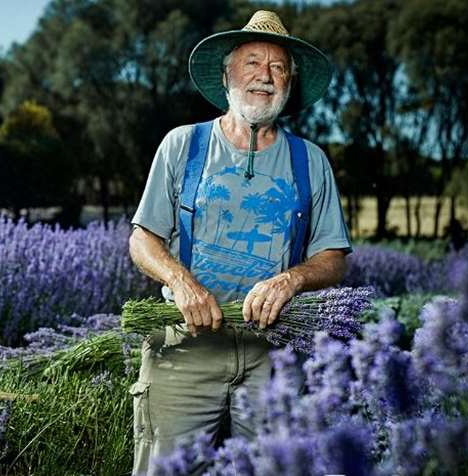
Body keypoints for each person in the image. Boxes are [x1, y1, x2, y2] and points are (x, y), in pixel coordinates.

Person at [127, 10, 353, 475]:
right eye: (252, 63)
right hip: (185, 350)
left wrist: (293, 279)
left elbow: (333, 258)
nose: (264, 77)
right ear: (228, 74)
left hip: (273, 355)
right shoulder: (182, 145)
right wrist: (181, 282)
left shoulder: (310, 161)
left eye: (277, 68)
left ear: (289, 84)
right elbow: (143, 239)